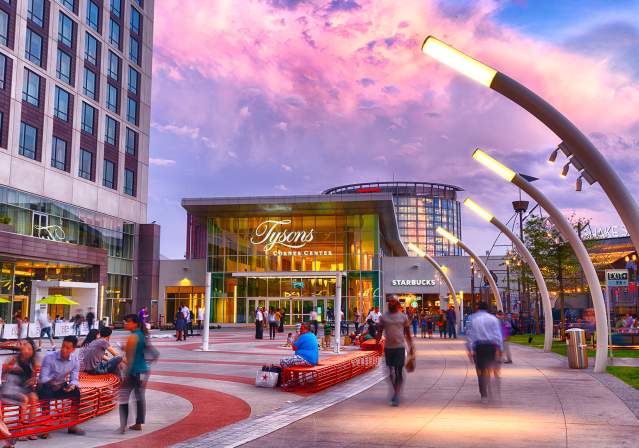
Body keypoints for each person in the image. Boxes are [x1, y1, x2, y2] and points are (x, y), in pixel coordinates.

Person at [37, 336, 85, 437]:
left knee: (76, 392)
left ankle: (72, 425)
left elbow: (74, 378)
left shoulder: (75, 360)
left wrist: (72, 385)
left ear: (73, 349)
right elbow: (43, 378)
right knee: (46, 392)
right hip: (46, 385)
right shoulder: (49, 357)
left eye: (67, 348)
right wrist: (53, 380)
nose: (63, 350)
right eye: (63, 346)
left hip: (60, 385)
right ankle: (45, 426)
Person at [376, 297, 414, 407]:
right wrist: (376, 342)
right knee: (390, 372)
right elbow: (379, 331)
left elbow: (407, 333)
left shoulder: (403, 317)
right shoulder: (384, 317)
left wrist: (411, 346)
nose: (391, 303)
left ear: (397, 304)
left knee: (398, 370)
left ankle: (396, 394)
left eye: (393, 301)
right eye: (389, 301)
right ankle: (395, 390)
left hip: (400, 347)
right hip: (388, 348)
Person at [1, 339, 39, 440]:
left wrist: (33, 380)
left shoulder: (32, 362)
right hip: (10, 389)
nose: (28, 351)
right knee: (25, 399)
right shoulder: (14, 359)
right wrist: (12, 369)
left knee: (34, 397)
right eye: (26, 348)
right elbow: (3, 374)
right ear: (21, 349)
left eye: (30, 349)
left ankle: (30, 429)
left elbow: (33, 379)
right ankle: (20, 429)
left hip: (23, 388)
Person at [466, 302, 503, 403]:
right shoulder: (493, 319)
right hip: (491, 346)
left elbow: (470, 335)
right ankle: (491, 383)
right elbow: (498, 335)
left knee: (480, 371)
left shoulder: (473, 319)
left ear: (478, 308)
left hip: (479, 347)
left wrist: (470, 350)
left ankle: (484, 394)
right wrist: (500, 349)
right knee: (491, 367)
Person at [119, 314, 149, 433]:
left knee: (123, 395)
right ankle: (138, 423)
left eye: (128, 322)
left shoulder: (132, 337)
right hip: (143, 370)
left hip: (134, 371)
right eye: (125, 321)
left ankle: (123, 425)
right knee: (140, 396)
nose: (126, 324)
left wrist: (126, 374)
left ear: (135, 323)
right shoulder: (142, 335)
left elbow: (130, 358)